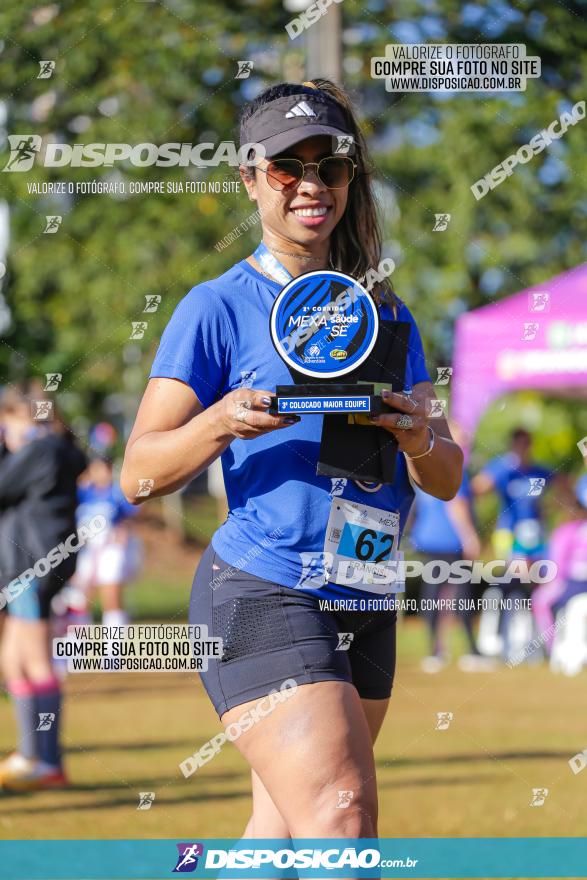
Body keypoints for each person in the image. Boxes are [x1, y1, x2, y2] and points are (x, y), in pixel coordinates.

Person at [121, 79, 463, 839]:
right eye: (286, 166)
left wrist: (418, 438)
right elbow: (138, 474)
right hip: (265, 587)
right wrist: (221, 419)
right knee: (339, 817)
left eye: (329, 165)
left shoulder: (384, 310)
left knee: (277, 835)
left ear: (350, 178)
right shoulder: (215, 306)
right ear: (250, 179)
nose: (311, 184)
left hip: (367, 589)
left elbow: (445, 474)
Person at [0, 384, 86, 790]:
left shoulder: (43, 450)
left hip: (34, 565)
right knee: (12, 660)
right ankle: (30, 754)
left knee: (35, 662)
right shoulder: (45, 450)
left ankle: (49, 761)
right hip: (22, 568)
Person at [409, 425, 486, 673]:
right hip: (451, 541)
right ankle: (471, 653)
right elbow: (458, 506)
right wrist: (470, 537)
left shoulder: (425, 462)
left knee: (432, 594)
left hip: (428, 539)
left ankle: (435, 652)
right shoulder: (455, 467)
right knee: (461, 595)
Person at [72, 455, 141, 630]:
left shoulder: (117, 493)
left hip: (110, 550)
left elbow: (133, 515)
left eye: (102, 468)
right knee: (80, 600)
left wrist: (125, 529)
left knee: (111, 598)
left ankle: (112, 652)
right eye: (95, 468)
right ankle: (75, 650)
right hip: (87, 550)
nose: (99, 473)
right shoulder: (83, 494)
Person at [533, 474, 587, 650]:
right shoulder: (568, 531)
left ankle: (554, 647)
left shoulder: (567, 531)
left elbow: (557, 565)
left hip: (572, 583)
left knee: (540, 600)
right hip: (572, 581)